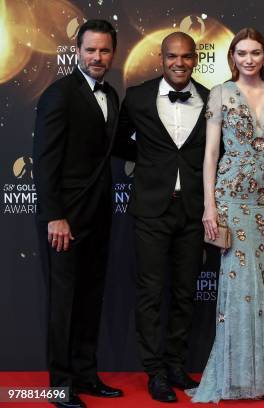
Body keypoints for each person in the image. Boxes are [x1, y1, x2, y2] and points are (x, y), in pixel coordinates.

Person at [189, 27, 264, 402]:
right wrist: (209, 205)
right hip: (231, 199)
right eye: (242, 53)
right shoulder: (220, 94)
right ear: (232, 57)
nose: (248, 59)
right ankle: (233, 374)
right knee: (237, 286)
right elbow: (211, 155)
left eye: (255, 53)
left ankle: (262, 374)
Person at [33, 19, 133, 408]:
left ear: (113, 53)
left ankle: (86, 376)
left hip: (100, 215)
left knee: (91, 299)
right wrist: (55, 215)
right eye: (90, 50)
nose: (97, 57)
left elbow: (120, 147)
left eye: (104, 50)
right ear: (77, 51)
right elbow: (44, 161)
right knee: (64, 304)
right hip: (65, 220)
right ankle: (60, 385)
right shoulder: (59, 94)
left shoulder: (110, 92)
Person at [116, 32, 209, 403]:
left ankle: (174, 363)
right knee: (151, 292)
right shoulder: (137, 97)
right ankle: (154, 371)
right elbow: (120, 142)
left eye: (187, 57)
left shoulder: (211, 98)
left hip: (193, 210)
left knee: (185, 293)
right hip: (151, 208)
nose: (179, 63)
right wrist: (152, 164)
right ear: (162, 57)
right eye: (173, 56)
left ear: (195, 59)